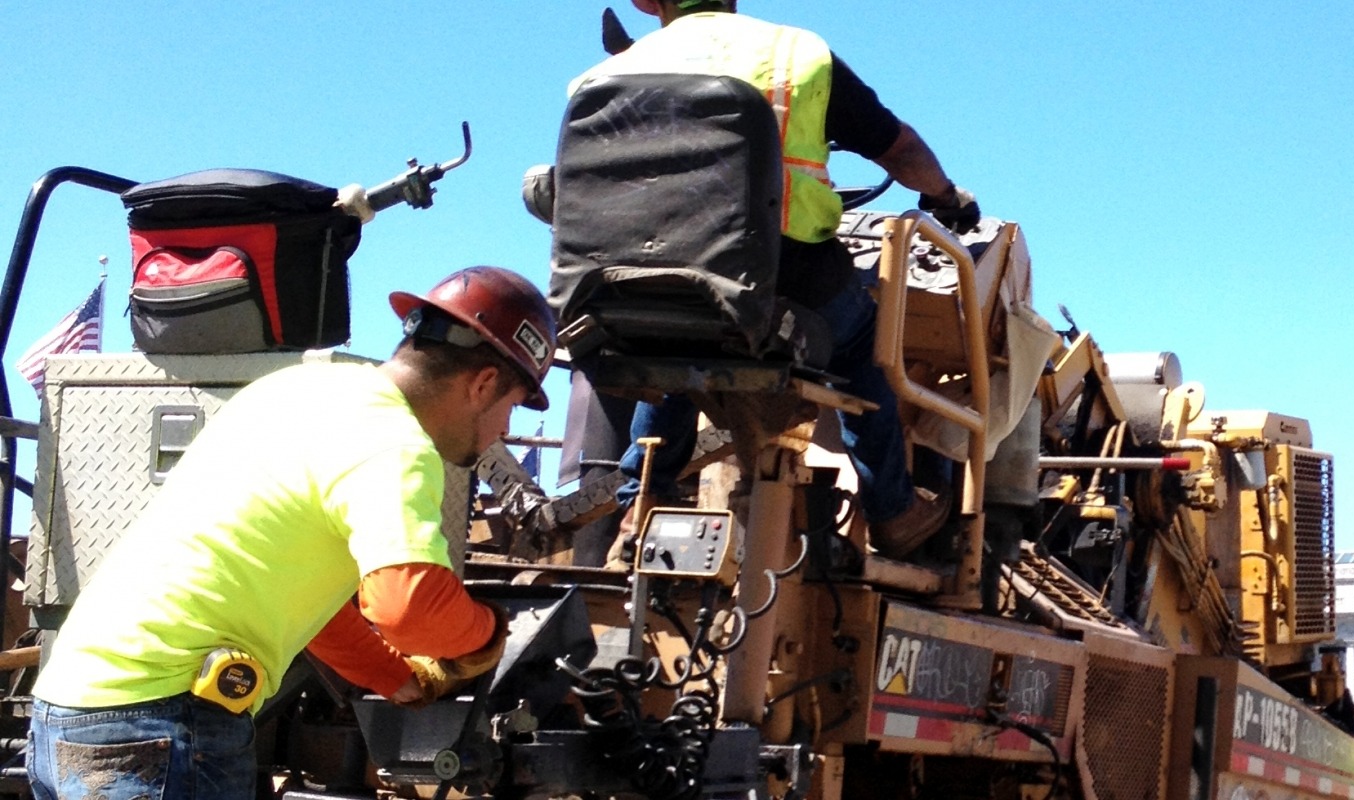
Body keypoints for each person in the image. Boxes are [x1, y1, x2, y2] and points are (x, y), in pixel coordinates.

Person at [29, 266, 558, 799]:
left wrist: (393, 678)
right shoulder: (396, 443)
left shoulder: (296, 388)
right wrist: (486, 634)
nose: (506, 430)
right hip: (160, 726)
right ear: (484, 383)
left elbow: (305, 602)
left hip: (69, 712)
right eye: (513, 406)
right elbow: (408, 610)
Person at [576, 0, 983, 558]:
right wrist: (944, 196)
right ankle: (894, 510)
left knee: (672, 332)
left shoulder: (606, 74)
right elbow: (900, 147)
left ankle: (640, 502)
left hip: (624, 288)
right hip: (775, 283)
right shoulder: (795, 55)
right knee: (866, 338)